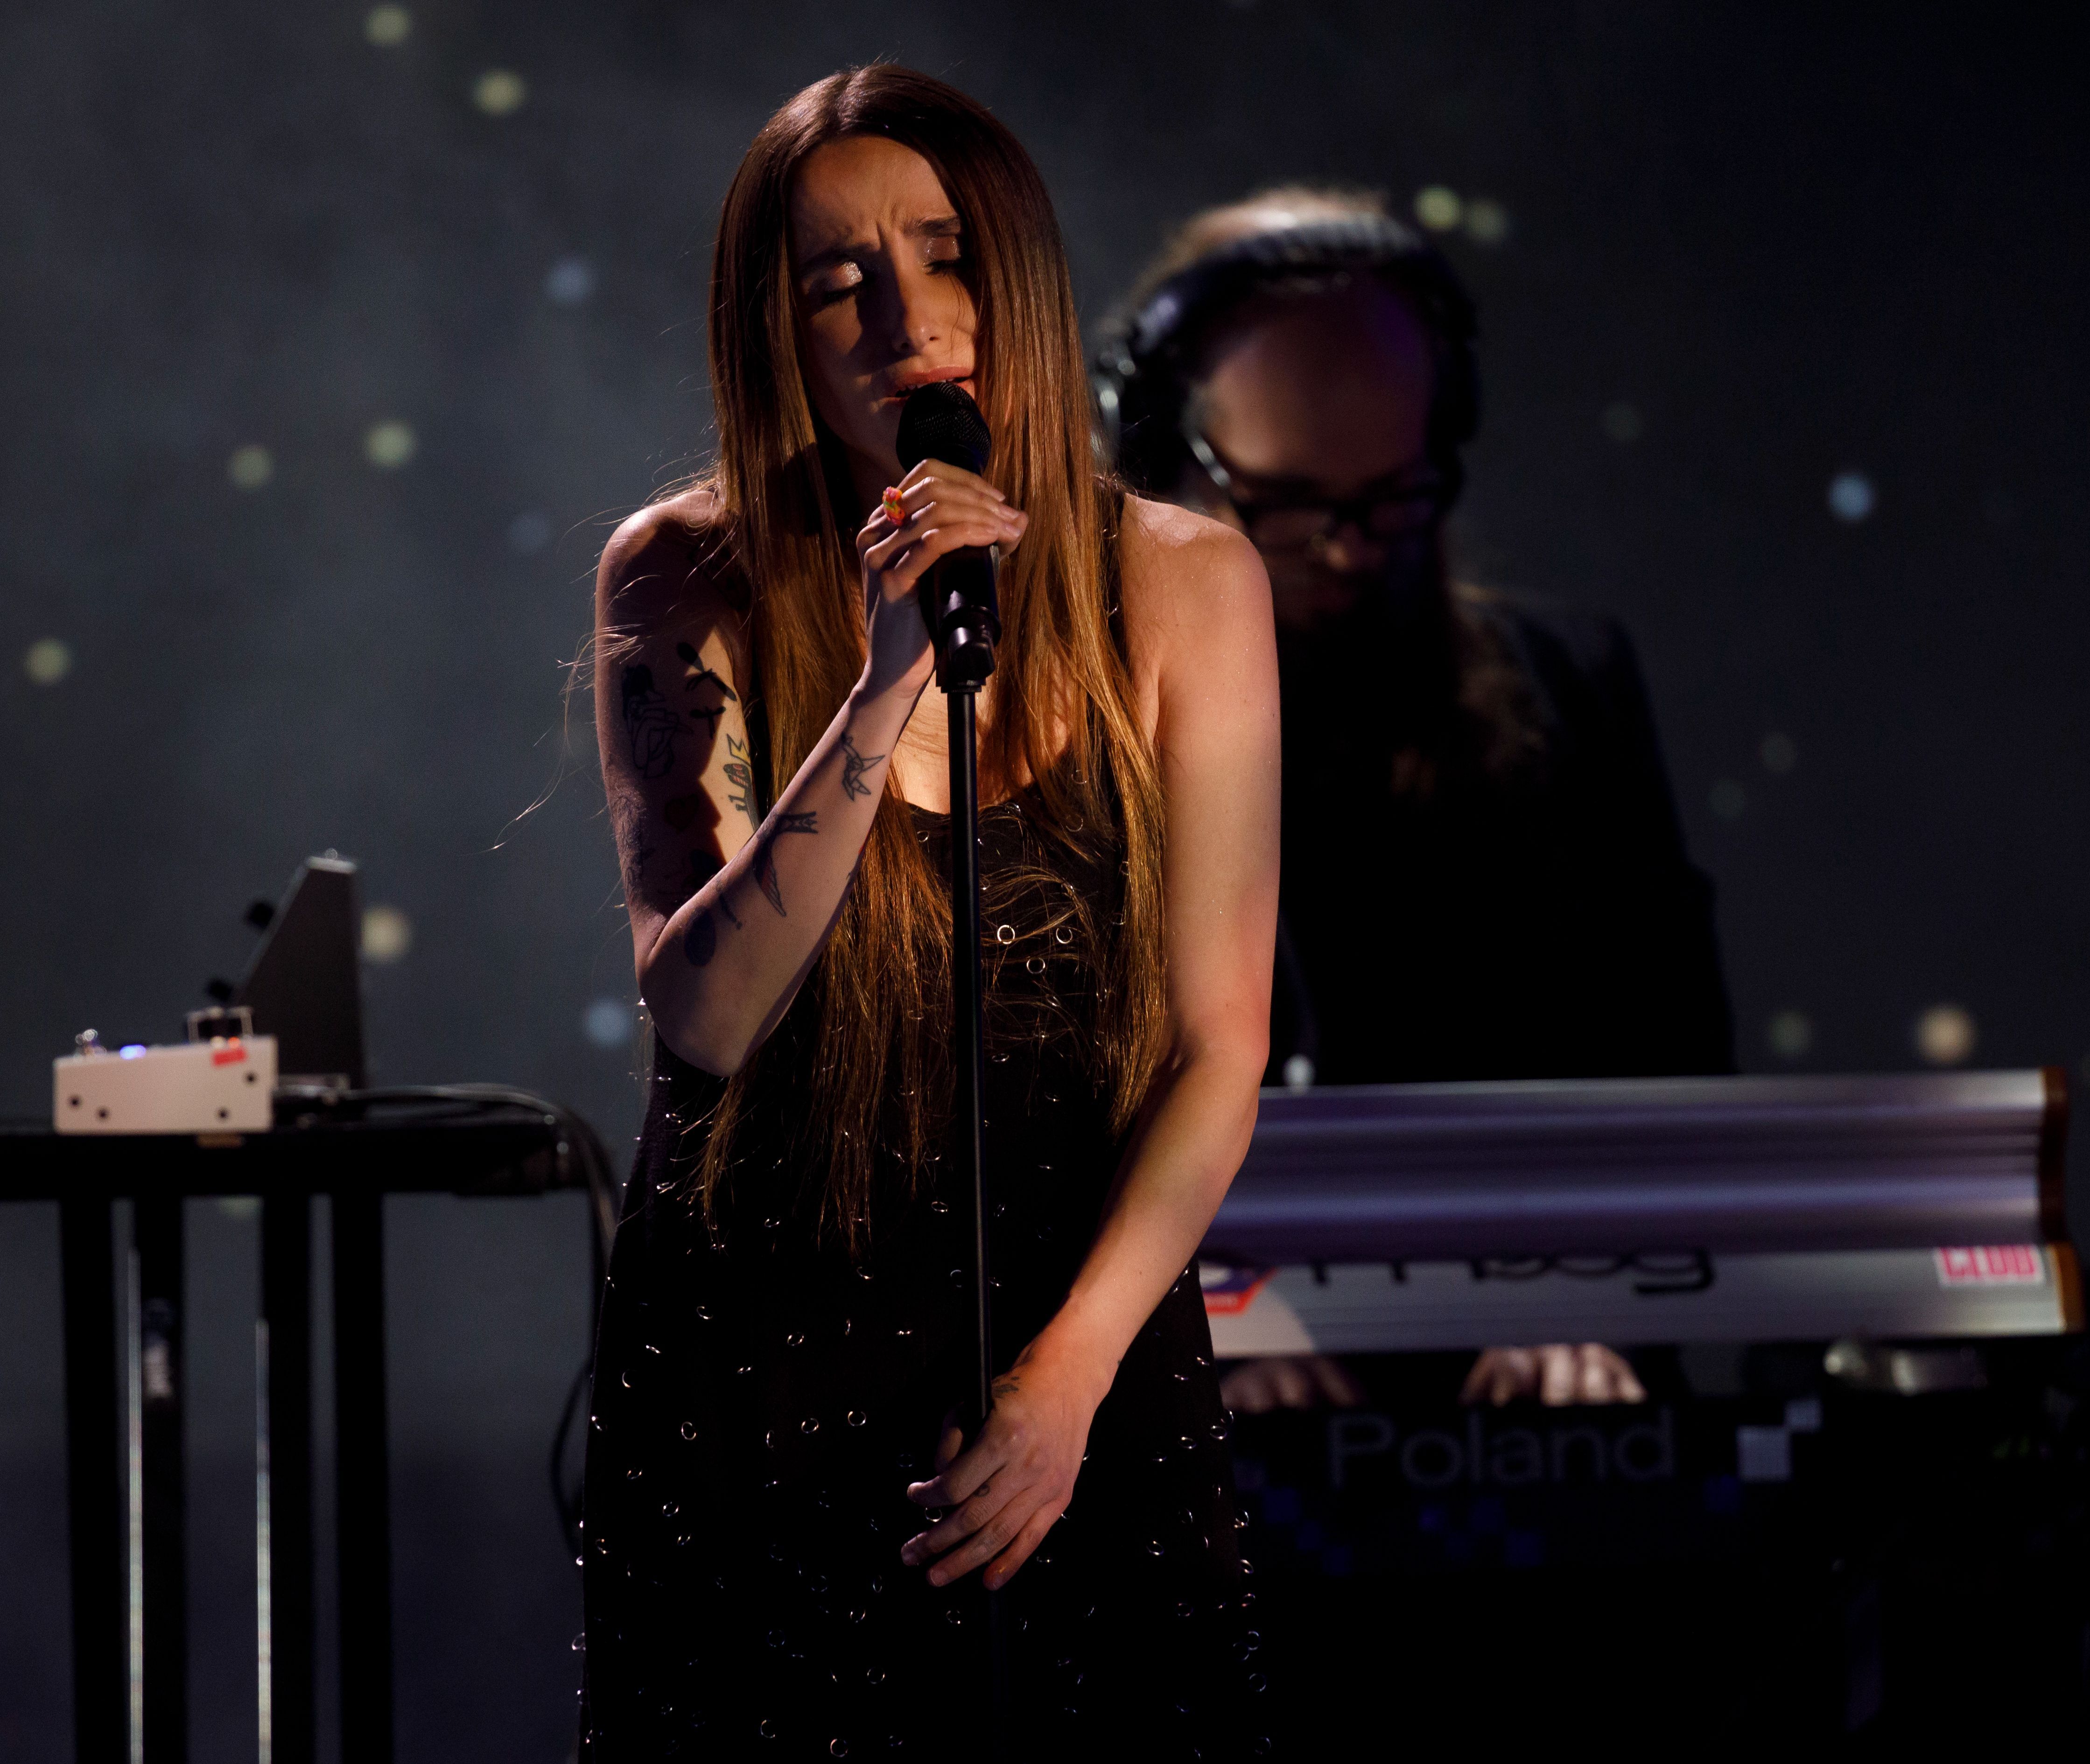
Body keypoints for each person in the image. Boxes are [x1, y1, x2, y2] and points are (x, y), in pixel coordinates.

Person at [581, 67, 1280, 1759]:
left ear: (1019, 276)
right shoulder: (683, 577)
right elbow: (707, 1013)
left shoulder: (1182, 581)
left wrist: (1066, 1382)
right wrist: (886, 680)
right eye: (839, 284)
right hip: (765, 1379)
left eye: (946, 255)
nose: (908, 321)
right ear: (780, 338)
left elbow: (1217, 1041)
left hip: (1071, 1355)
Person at [1097, 189, 1737, 1414]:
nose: (1348, 550)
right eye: (1288, 507)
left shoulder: (1571, 693)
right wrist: (1204, 1315)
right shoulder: (1053, 733)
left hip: (1549, 1396)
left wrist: (1589, 1302)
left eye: (1393, 499)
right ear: (1164, 460)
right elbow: (1004, 1132)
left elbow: (1674, 1078)